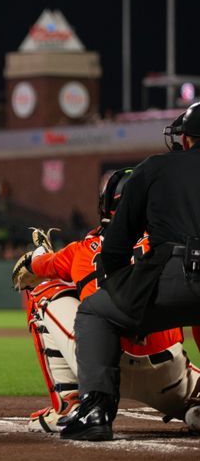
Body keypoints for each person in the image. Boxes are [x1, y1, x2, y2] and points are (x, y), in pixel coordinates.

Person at [12, 169, 200, 433]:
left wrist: (35, 258)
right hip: (168, 375)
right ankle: (194, 406)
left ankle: (69, 404)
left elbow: (37, 266)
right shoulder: (174, 242)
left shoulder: (81, 249)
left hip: (100, 368)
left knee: (44, 290)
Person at [60, 103, 200, 441]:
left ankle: (96, 409)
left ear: (187, 139)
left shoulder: (155, 168)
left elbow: (116, 246)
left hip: (175, 274)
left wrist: (126, 299)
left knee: (96, 312)